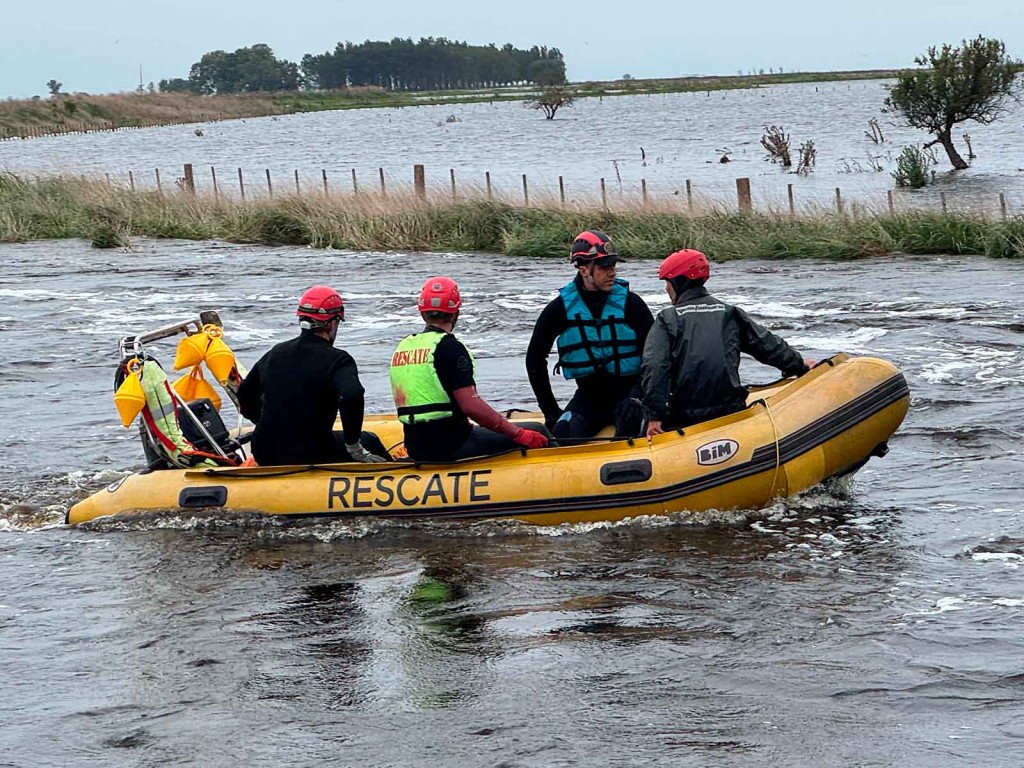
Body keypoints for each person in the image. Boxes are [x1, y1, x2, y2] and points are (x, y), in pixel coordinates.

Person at [641, 249, 815, 438]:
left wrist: (655, 416)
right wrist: (799, 365)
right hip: (731, 411)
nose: (667, 288)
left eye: (667, 282)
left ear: (679, 281)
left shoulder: (668, 319)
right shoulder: (729, 313)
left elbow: (655, 366)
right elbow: (767, 346)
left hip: (686, 415)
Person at [390, 276, 549, 462]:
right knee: (537, 430)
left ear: (422, 312)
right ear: (455, 312)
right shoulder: (449, 347)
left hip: (416, 446)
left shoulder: (403, 347)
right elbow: (470, 406)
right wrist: (518, 434)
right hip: (453, 444)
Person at [237, 285, 388, 465]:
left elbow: (245, 392)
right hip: (311, 451)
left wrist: (262, 422)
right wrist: (354, 447)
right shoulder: (338, 360)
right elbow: (352, 394)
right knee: (370, 440)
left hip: (264, 450)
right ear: (332, 323)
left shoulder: (276, 353)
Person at [525, 229, 654, 439]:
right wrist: (550, 411)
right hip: (589, 399)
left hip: (630, 396)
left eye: (614, 265)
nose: (612, 272)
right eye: (604, 267)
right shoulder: (559, 310)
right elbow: (534, 359)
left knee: (629, 429)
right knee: (562, 435)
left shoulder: (632, 304)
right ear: (584, 270)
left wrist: (638, 396)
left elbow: (655, 356)